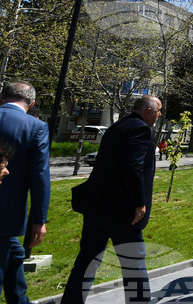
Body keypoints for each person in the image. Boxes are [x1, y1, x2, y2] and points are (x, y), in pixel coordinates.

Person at [63, 95, 161, 304]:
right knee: (133, 266)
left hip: (97, 207)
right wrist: (139, 203)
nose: (159, 116)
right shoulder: (140, 129)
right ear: (149, 112)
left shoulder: (118, 126)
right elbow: (133, 167)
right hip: (122, 212)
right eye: (159, 111)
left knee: (86, 262)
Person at [0, 82, 49, 304]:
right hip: (9, 209)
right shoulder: (35, 127)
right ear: (31, 104)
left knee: (14, 254)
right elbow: (39, 176)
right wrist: (39, 219)